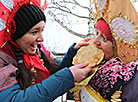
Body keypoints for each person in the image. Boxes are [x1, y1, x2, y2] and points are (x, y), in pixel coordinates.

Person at [0, 1, 92, 102]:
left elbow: (56, 73)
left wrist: (74, 53)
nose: (42, 38)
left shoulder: (39, 52)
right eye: (34, 32)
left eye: (42, 30)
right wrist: (68, 76)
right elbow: (15, 99)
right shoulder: (2, 61)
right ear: (17, 34)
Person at [74, 17, 138, 102]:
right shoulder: (94, 64)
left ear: (120, 46)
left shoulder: (132, 76)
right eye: (96, 32)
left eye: (104, 38)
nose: (95, 41)